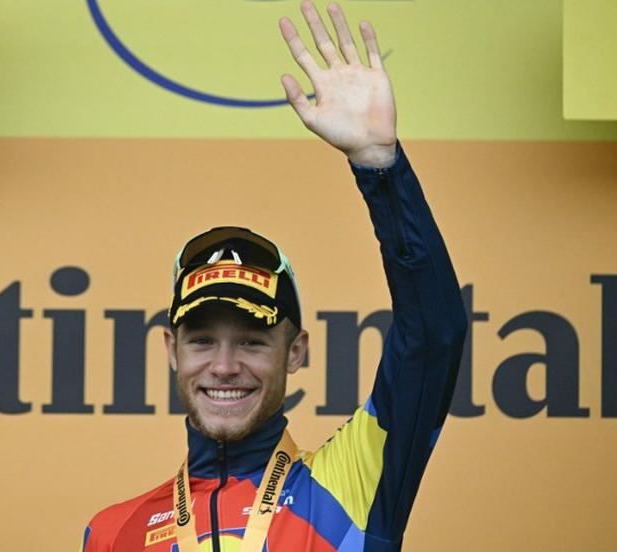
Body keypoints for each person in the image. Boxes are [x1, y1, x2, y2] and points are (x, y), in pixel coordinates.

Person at [80, 1, 467, 550]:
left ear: (295, 351)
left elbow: (433, 336)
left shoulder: (351, 483)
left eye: (252, 341)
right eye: (202, 340)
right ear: (171, 349)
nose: (224, 366)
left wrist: (380, 170)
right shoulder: (112, 532)